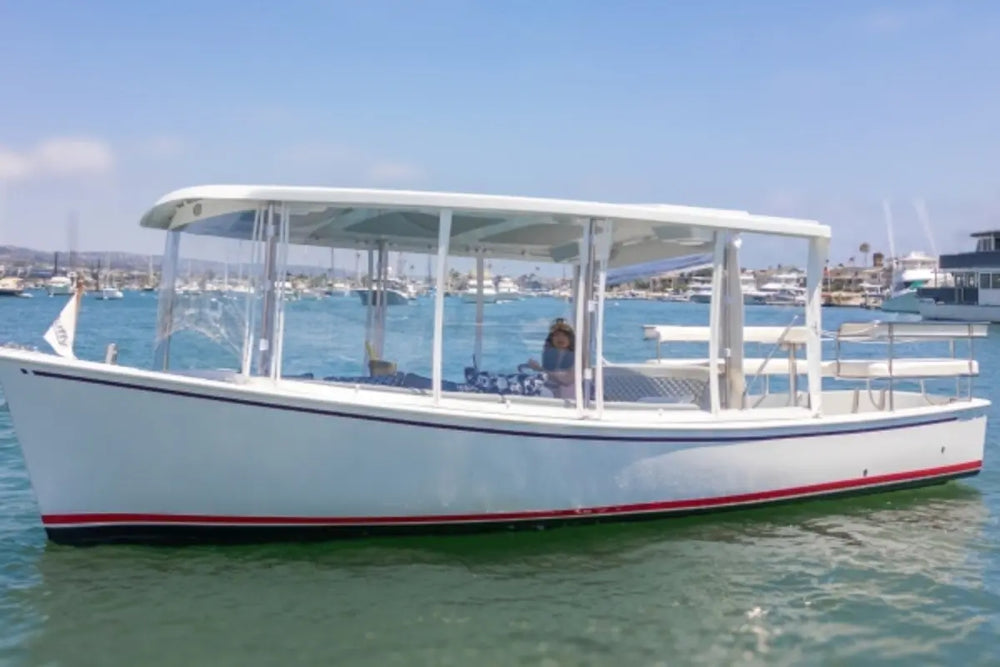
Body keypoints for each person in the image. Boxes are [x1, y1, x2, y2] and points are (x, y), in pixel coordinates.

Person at [526, 318, 575, 398]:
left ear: (571, 338)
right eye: (556, 335)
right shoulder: (549, 355)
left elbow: (567, 380)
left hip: (569, 400)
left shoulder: (578, 358)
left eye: (564, 335)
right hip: (550, 396)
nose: (560, 338)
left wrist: (540, 370)